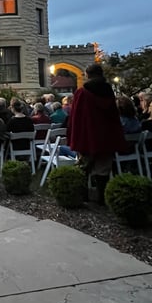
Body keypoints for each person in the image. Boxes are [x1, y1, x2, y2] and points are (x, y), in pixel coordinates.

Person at [67, 63, 126, 203]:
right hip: (106, 136)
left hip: (88, 135)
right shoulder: (108, 91)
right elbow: (114, 115)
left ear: (88, 75)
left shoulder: (82, 92)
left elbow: (76, 117)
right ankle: (101, 197)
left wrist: (74, 135)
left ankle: (84, 195)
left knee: (83, 166)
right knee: (103, 167)